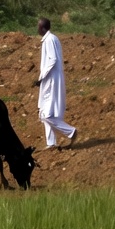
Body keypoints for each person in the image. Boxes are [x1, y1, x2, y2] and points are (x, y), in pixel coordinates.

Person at [35, 17, 78, 149]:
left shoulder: (49, 40)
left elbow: (52, 59)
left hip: (51, 80)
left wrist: (42, 77)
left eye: (38, 26)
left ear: (42, 28)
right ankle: (51, 143)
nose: (36, 28)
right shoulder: (51, 39)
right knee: (45, 113)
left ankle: (70, 131)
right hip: (51, 79)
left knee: (46, 115)